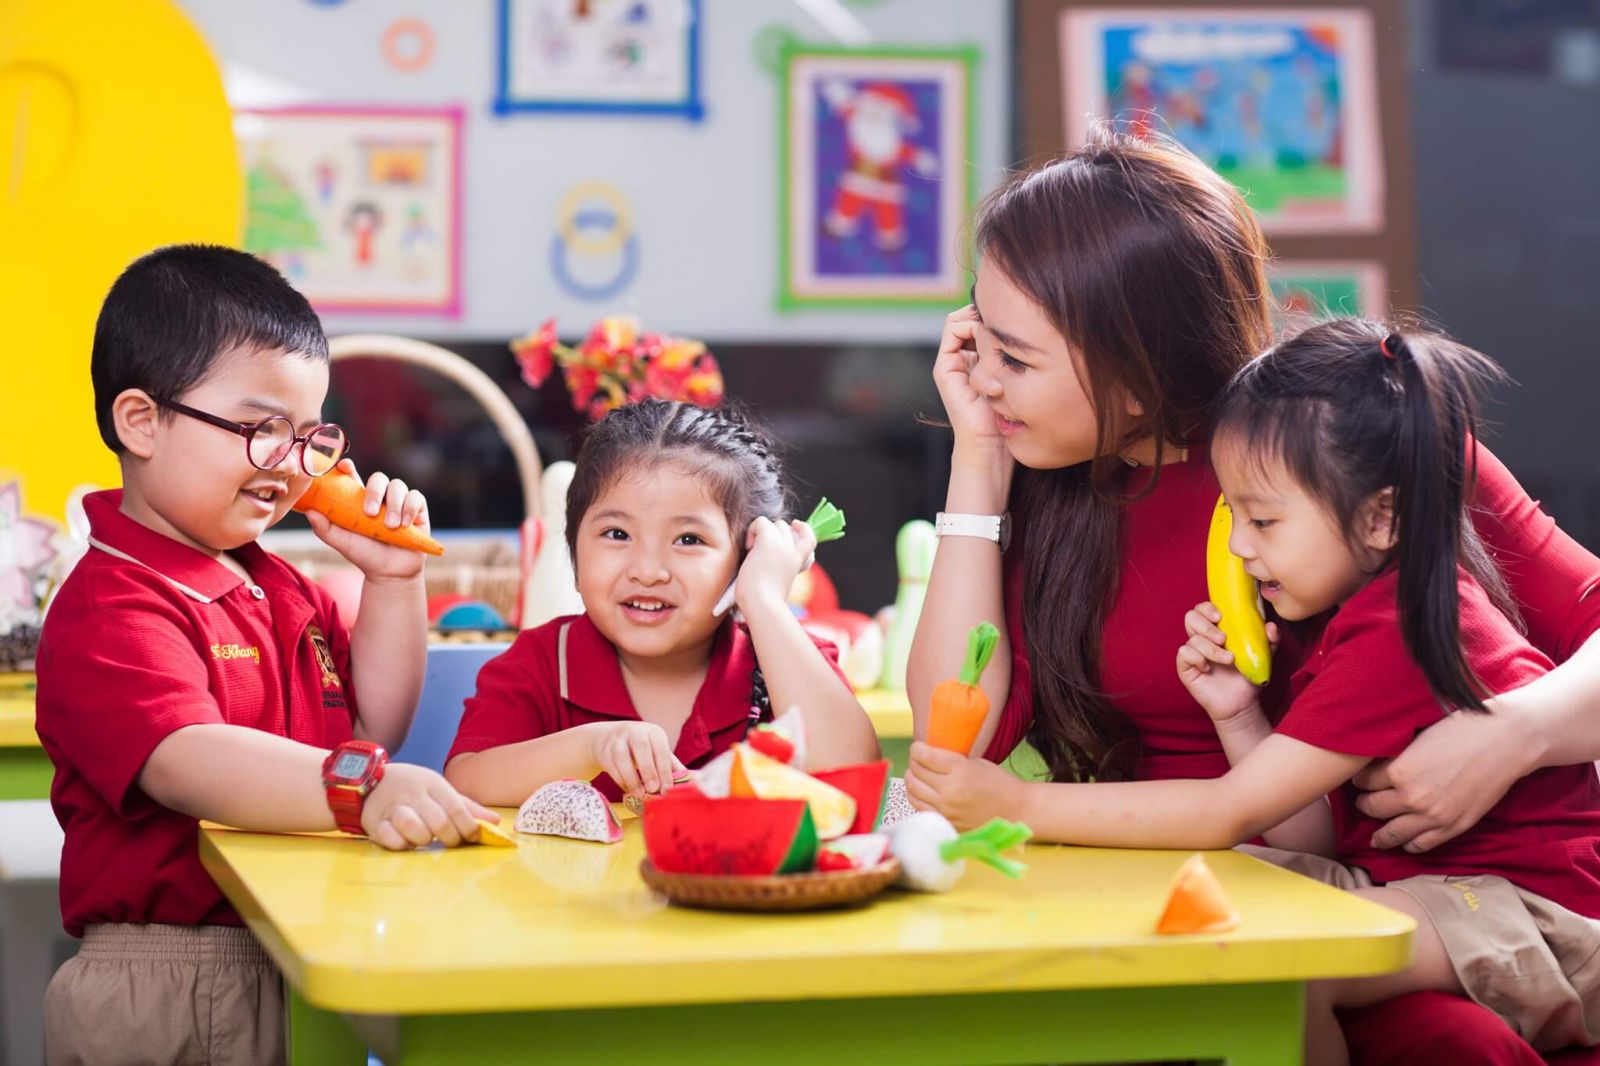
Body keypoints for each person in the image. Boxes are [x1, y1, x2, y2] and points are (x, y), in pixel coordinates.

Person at [905, 126, 1600, 1062]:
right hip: (1187, 891)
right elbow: (963, 739)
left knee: (1447, 1039)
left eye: (1017, 359)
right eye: (977, 339)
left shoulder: (1359, 460)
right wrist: (978, 466)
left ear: (1139, 369)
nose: (983, 380)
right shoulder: (1033, 471)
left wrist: (1517, 730)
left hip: (1357, 886)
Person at [35, 244, 495, 1066]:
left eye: (307, 434)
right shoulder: (112, 602)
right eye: (260, 430)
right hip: (177, 980)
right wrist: (363, 789)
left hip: (296, 946)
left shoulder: (277, 583)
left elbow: (369, 724)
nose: (291, 465)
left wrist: (393, 582)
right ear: (141, 421)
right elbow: (184, 759)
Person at [445, 398, 879, 805]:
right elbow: (466, 781)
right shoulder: (541, 662)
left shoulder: (783, 659)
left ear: (747, 557)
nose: (648, 570)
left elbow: (852, 776)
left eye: (688, 539)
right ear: (574, 553)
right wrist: (590, 747)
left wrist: (763, 598)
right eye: (617, 534)